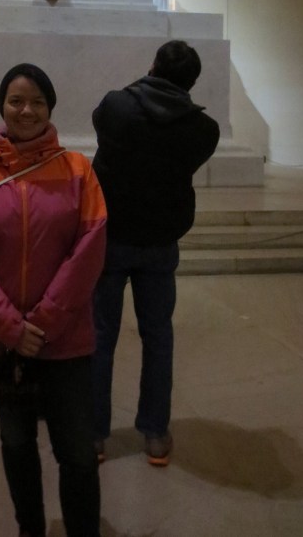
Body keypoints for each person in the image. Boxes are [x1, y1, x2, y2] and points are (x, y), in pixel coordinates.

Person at [0, 63, 107, 537]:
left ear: (50, 106)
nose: (26, 110)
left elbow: (91, 245)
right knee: (16, 444)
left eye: (36, 100)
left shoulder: (77, 170)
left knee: (76, 451)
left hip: (64, 340)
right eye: (16, 101)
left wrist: (47, 321)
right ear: (2, 107)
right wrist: (10, 326)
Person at [90, 40, 220, 466]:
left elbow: (103, 130)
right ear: (192, 83)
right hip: (161, 242)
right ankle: (156, 434)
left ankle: (93, 435)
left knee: (100, 338)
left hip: (111, 239)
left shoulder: (115, 106)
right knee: (159, 338)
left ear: (152, 66)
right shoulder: (204, 130)